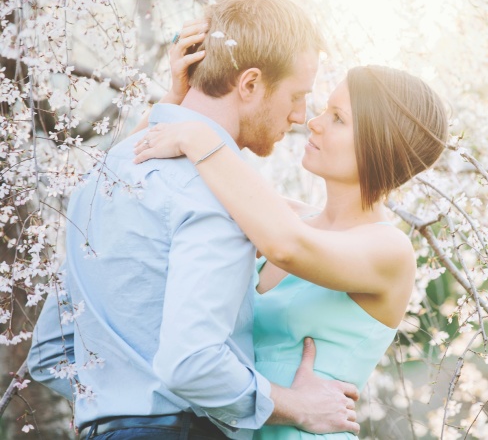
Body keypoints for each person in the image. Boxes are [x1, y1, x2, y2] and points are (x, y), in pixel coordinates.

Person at [27, 0, 360, 440]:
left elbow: (49, 354)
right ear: (250, 84)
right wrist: (298, 407)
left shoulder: (106, 172)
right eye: (297, 96)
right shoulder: (219, 190)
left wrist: (124, 402)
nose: (301, 116)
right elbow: (191, 364)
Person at [132, 44, 449, 438]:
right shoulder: (287, 218)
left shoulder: (389, 251)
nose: (312, 122)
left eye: (337, 118)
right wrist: (178, 100)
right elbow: (142, 181)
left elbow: (288, 247)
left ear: (378, 143)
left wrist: (197, 137)